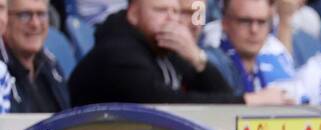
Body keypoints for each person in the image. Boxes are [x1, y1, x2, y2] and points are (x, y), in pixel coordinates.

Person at [68, 0, 290, 105]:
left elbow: (220, 92)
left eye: (175, 11)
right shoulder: (118, 53)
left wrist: (197, 59)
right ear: (134, 14)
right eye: (161, 10)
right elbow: (167, 105)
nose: (172, 19)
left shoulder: (164, 46)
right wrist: (248, 101)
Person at [201, 0, 299, 98]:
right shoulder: (211, 63)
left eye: (261, 22)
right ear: (225, 23)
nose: (254, 30)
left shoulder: (275, 57)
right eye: (245, 21)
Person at [2, 0, 70, 113]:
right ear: (5, 18)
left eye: (41, 14)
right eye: (24, 15)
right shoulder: (1, 75)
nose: (35, 24)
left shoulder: (52, 66)